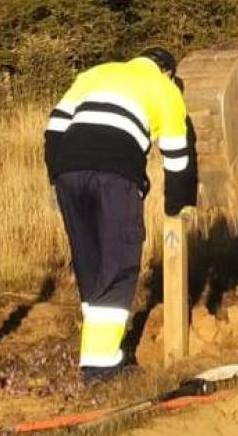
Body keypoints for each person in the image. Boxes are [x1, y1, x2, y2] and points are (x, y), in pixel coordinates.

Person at [44, 47, 197, 384]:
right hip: (115, 176)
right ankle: (101, 368)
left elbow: (54, 128)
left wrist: (57, 177)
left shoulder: (96, 73)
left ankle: (97, 348)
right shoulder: (164, 88)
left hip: (69, 172)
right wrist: (178, 207)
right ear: (168, 72)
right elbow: (178, 157)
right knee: (119, 261)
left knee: (91, 260)